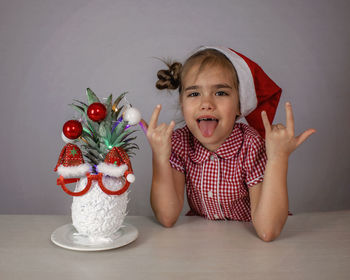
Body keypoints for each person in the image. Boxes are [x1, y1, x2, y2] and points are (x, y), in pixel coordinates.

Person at [141, 46, 315, 242]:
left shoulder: (251, 145)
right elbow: (167, 216)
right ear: (182, 105)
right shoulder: (179, 142)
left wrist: (278, 158)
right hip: (202, 242)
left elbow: (268, 231)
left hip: (249, 243)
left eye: (221, 93)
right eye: (194, 94)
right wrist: (160, 157)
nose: (206, 103)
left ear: (240, 104)